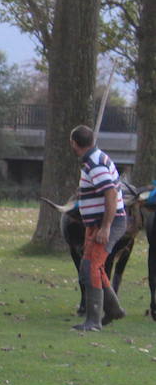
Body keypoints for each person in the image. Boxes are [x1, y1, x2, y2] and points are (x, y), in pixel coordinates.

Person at [68, 124, 127, 331]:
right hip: (96, 224)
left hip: (108, 223)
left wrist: (106, 227)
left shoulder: (95, 164)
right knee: (92, 266)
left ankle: (93, 321)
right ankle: (114, 310)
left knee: (90, 267)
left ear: (74, 143)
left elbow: (110, 193)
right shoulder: (94, 160)